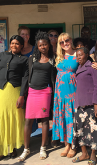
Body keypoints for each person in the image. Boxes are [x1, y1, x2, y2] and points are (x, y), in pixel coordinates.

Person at [18, 31, 56, 162]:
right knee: (28, 120)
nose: (43, 47)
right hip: (32, 92)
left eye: (45, 44)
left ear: (49, 45)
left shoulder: (53, 60)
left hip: (45, 92)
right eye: (40, 45)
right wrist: (22, 94)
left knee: (45, 120)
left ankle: (43, 148)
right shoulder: (32, 59)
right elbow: (25, 77)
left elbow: (55, 76)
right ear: (37, 47)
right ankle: (26, 149)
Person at [72, 47, 97, 165]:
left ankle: (93, 154)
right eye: (77, 55)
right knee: (80, 131)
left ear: (86, 55)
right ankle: (84, 153)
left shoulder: (92, 67)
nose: (78, 57)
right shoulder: (79, 67)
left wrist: (96, 104)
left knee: (93, 130)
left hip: (90, 104)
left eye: (80, 55)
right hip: (79, 103)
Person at [0, 35, 28, 160]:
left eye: (17, 43)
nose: (14, 45)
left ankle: (12, 148)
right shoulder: (2, 55)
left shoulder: (24, 60)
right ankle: (1, 149)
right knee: (1, 120)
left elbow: (25, 78)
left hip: (15, 92)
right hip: (1, 91)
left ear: (22, 45)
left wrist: (22, 95)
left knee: (14, 120)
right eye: (12, 43)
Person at [52, 33, 78, 158]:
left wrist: (95, 64)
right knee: (63, 117)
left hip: (73, 92)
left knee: (72, 118)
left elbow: (88, 65)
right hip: (60, 93)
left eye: (66, 40)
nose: (65, 43)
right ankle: (66, 144)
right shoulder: (59, 56)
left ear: (71, 40)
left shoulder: (78, 54)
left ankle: (73, 145)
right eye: (61, 42)